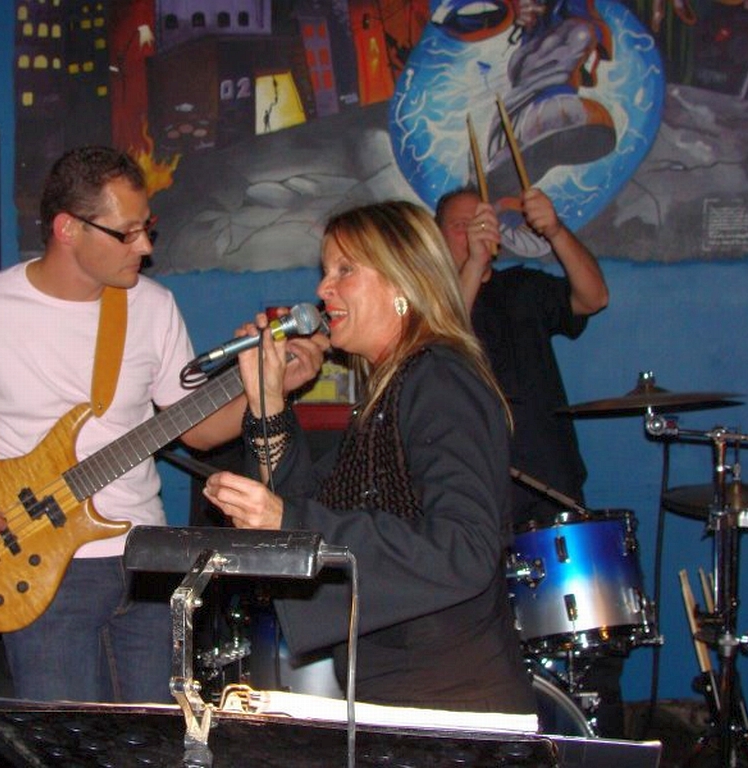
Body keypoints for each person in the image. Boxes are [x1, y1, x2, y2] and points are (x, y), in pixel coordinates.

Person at [0, 145, 324, 704]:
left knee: (155, 735)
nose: (145, 247)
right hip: (38, 564)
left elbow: (197, 430)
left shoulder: (152, 307)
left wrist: (274, 386)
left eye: (147, 228)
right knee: (68, 739)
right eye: (126, 233)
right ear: (68, 229)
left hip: (146, 561)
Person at [203, 200, 537, 714]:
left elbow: (464, 546)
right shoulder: (390, 390)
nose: (322, 289)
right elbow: (308, 515)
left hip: (450, 701)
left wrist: (287, 518)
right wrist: (267, 401)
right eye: (325, 271)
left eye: (345, 270)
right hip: (401, 693)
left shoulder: (440, 379)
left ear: (403, 281)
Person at [435, 186, 625, 737]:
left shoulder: (522, 287)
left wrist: (555, 231)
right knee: (482, 652)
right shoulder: (431, 303)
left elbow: (594, 297)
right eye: (459, 225)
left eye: (481, 220)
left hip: (550, 490)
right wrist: (473, 264)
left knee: (583, 651)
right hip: (473, 503)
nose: (474, 230)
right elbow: (446, 336)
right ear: (437, 238)